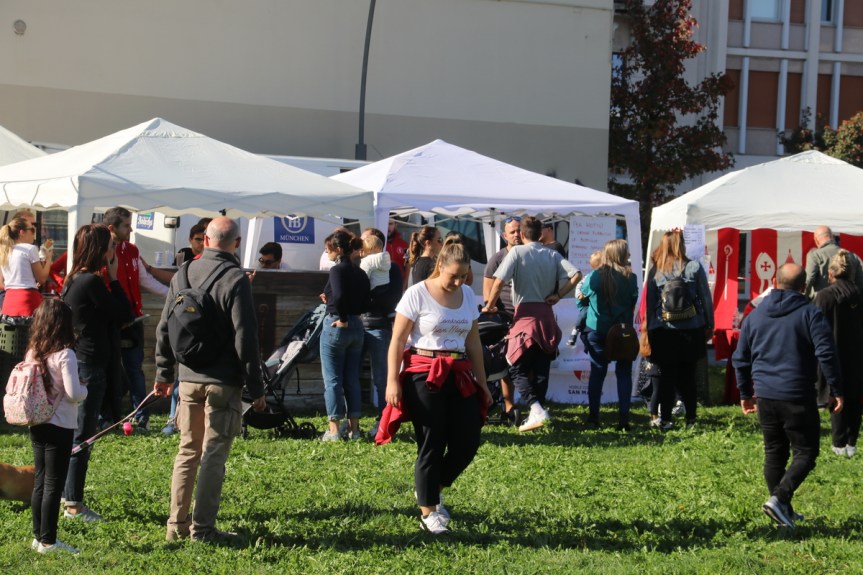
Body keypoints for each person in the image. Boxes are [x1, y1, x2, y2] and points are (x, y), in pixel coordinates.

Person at [153, 217, 266, 543]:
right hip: (223, 382)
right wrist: (256, 387)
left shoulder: (183, 273)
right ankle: (202, 530)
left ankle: (175, 526)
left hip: (188, 378)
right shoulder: (236, 279)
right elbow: (246, 338)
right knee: (214, 454)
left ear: (204, 238)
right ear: (238, 242)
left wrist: (163, 374)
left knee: (187, 450)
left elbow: (164, 328)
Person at [385, 240, 491, 535]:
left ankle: (430, 488)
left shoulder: (468, 294)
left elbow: (473, 342)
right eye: (453, 276)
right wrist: (393, 380)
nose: (458, 282)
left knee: (468, 441)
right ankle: (429, 510)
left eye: (464, 276)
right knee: (431, 442)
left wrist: (482, 383)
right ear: (440, 266)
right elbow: (397, 340)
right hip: (423, 373)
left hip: (459, 373)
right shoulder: (416, 294)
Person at [734, 263, 843, 528]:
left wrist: (745, 393)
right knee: (806, 452)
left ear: (774, 280)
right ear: (803, 287)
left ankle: (783, 510)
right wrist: (836, 389)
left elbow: (740, 359)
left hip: (766, 396)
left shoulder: (755, 316)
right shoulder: (810, 313)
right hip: (796, 394)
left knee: (774, 453)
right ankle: (780, 499)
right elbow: (826, 354)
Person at [62, 223, 132, 522]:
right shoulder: (90, 282)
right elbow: (124, 313)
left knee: (79, 434)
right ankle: (73, 504)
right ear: (101, 250)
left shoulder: (74, 279)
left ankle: (69, 498)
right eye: (111, 247)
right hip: (90, 366)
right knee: (82, 436)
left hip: (84, 361)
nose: (114, 253)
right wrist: (115, 279)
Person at [484, 216, 581, 432]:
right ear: (540, 234)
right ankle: (537, 412)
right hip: (546, 317)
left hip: (525, 317)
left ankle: (536, 409)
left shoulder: (517, 252)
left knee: (515, 366)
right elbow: (577, 275)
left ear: (523, 234)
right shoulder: (552, 253)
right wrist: (558, 294)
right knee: (541, 369)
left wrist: (490, 305)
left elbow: (498, 281)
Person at [27, 299, 88, 554]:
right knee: (54, 482)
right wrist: (86, 389)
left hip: (37, 421)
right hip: (60, 424)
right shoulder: (66, 354)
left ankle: (37, 535)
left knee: (41, 480)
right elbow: (74, 394)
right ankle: (49, 541)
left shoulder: (34, 351)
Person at [103, 207, 171, 432]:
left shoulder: (132, 250)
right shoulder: (101, 250)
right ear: (112, 228)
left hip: (133, 319)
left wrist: (171, 294)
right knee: (109, 370)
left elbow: (144, 280)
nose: (131, 228)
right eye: (126, 225)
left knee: (135, 370)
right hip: (111, 321)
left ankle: (142, 417)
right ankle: (107, 418)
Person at [645, 230, 713, 429]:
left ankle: (665, 419)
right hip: (691, 329)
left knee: (666, 377)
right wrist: (709, 323)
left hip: (663, 330)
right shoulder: (693, 267)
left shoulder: (656, 270)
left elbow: (649, 304)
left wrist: (649, 329)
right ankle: (691, 418)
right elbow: (705, 297)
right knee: (688, 377)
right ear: (681, 245)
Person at [577, 240, 639, 430]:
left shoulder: (596, 276)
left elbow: (581, 295)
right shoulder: (631, 277)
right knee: (624, 374)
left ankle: (594, 418)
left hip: (597, 330)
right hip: (622, 333)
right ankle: (623, 419)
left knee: (597, 374)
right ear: (622, 255)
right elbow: (632, 303)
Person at [319, 230, 370, 441]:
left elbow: (339, 295)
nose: (327, 252)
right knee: (352, 379)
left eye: (328, 248)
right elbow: (367, 300)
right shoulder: (361, 273)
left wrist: (342, 317)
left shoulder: (337, 270)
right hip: (357, 326)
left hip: (338, 325)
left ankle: (333, 430)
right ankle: (354, 429)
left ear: (339, 249)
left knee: (332, 380)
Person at [814, 250, 863, 458]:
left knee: (835, 395)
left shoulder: (824, 297)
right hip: (858, 354)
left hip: (831, 353)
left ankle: (838, 443)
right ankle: (851, 443)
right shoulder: (860, 294)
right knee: (855, 398)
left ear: (830, 273)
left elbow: (812, 327)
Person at [163, 223, 208, 435]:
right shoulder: (184, 261)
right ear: (190, 240)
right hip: (183, 324)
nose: (201, 243)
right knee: (181, 376)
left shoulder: (215, 264)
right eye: (198, 239)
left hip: (203, 328)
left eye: (204, 238)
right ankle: (173, 419)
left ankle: (180, 421)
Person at [360, 227, 403, 438]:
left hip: (378, 326)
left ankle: (384, 422)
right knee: (351, 376)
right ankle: (352, 422)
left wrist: (366, 299)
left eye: (363, 240)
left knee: (381, 379)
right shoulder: (360, 264)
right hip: (359, 325)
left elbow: (391, 298)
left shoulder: (392, 269)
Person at [482, 216, 522, 422]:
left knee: (526, 365)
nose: (516, 234)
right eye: (512, 231)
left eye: (519, 230)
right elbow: (487, 289)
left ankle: (530, 403)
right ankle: (508, 405)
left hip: (527, 317)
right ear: (505, 235)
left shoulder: (530, 254)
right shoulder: (498, 258)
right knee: (505, 364)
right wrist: (493, 309)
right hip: (505, 318)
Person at [0, 216, 53, 317]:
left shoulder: (4, 250)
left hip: (9, 300)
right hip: (27, 299)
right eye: (32, 230)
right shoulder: (30, 249)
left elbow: (1, 283)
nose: (34, 233)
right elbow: (42, 278)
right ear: (22, 232)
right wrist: (49, 259)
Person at [804, 225, 863, 298]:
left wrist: (804, 298)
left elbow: (809, 280)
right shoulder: (852, 255)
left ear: (816, 240)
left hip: (822, 302)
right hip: (848, 302)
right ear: (833, 237)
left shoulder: (815, 255)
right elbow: (860, 280)